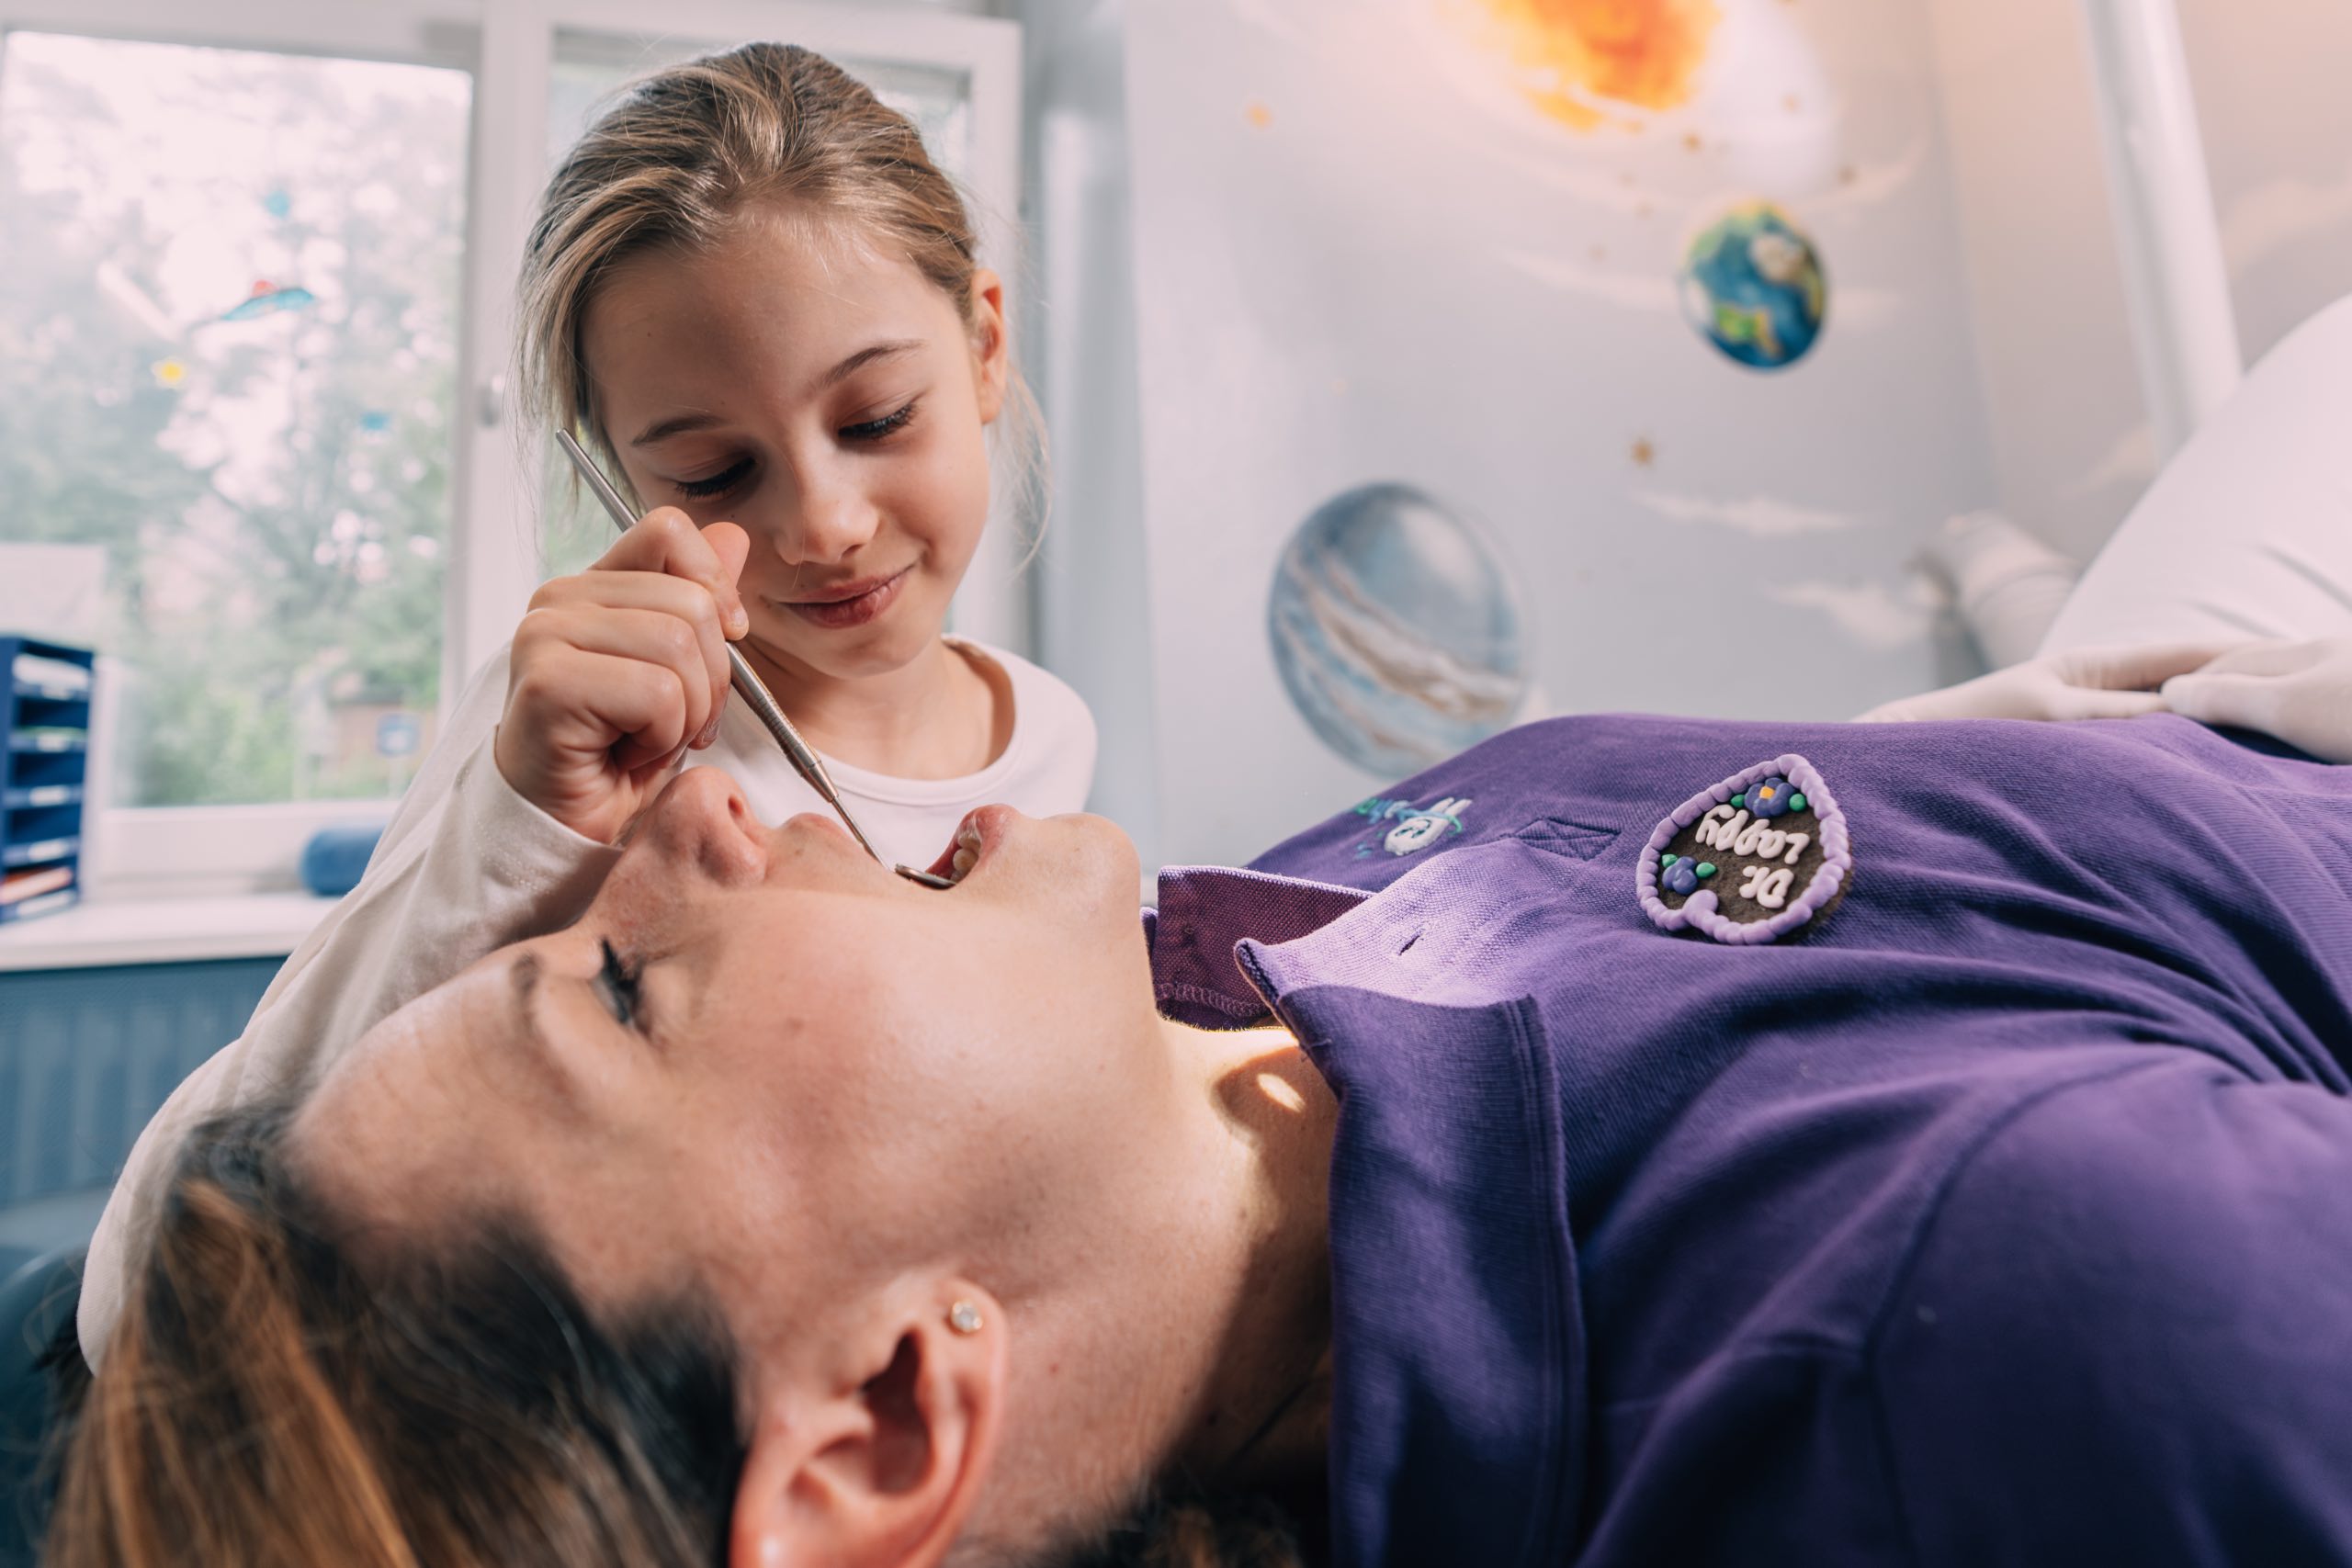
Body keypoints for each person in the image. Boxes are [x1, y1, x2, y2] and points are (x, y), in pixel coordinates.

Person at [48, 636, 2352, 1563]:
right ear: (873, 1417)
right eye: (626, 994)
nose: (689, 824)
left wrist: (1986, 723)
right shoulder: (2022, 1320)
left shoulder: (1195, 1004)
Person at [71, 41, 1097, 1361]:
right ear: (618, 480)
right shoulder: (583, 736)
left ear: (986, 347)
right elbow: (143, 1303)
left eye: (879, 417)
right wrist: (525, 831)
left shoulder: (1052, 743)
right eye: (715, 470)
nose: (827, 527)